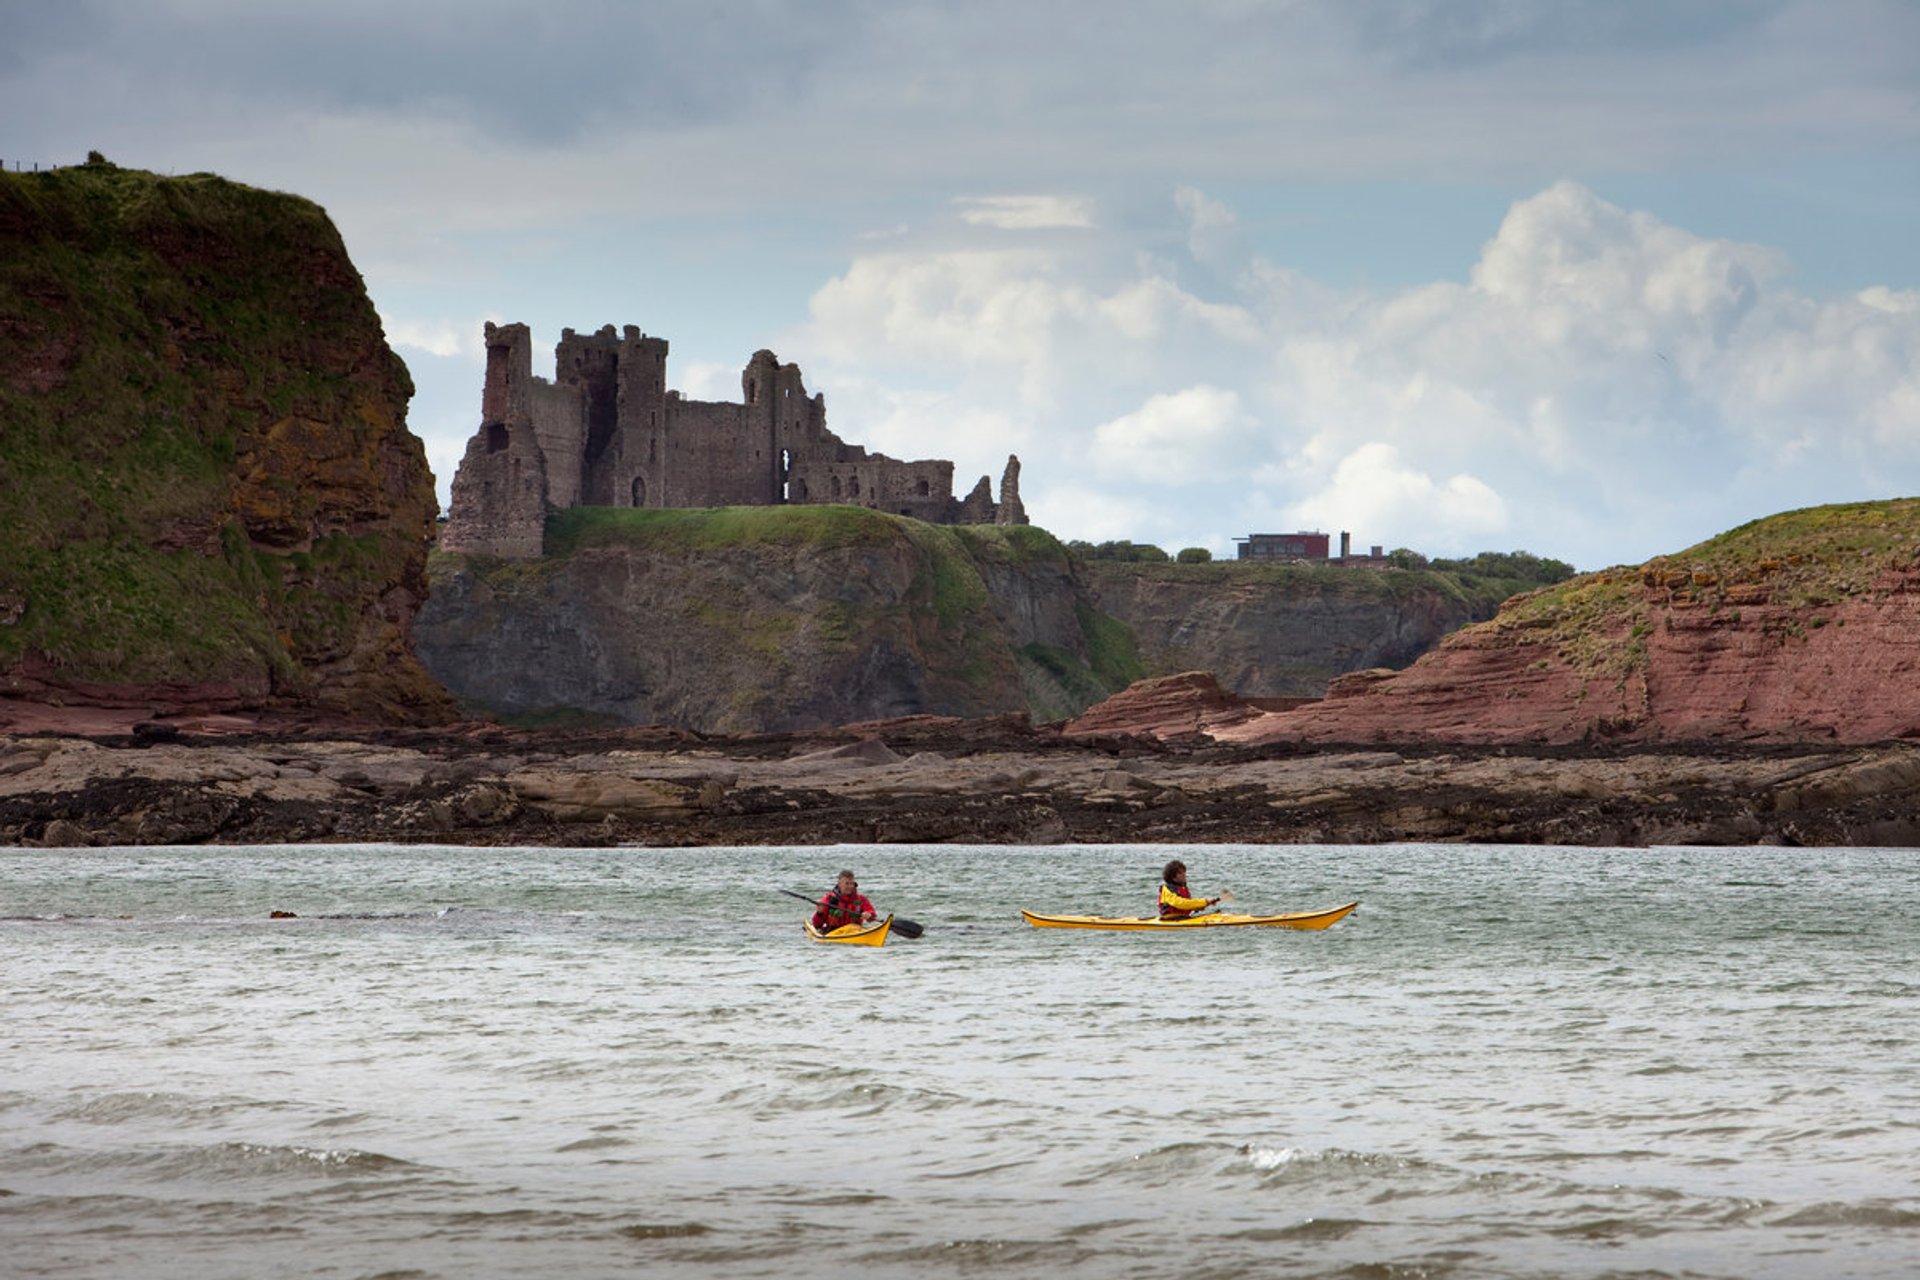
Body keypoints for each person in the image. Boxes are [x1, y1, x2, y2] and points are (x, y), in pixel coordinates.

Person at [812, 869, 878, 932]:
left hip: (855, 931)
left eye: (851, 883)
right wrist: (819, 913)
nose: (850, 886)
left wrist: (869, 915)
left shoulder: (861, 899)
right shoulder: (829, 899)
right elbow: (817, 925)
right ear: (839, 884)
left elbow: (873, 915)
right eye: (847, 883)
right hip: (833, 931)